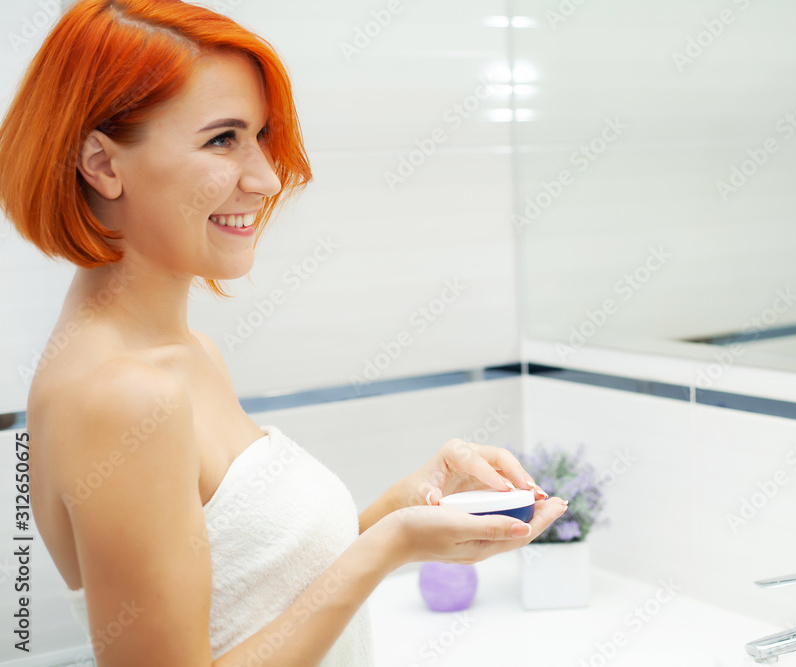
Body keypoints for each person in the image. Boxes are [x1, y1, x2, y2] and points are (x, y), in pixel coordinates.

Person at [0, 1, 566, 664]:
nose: (267, 178)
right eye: (222, 139)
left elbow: (258, 594)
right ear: (101, 164)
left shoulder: (189, 355)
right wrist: (392, 545)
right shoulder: (120, 397)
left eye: (261, 136)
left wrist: (405, 505)